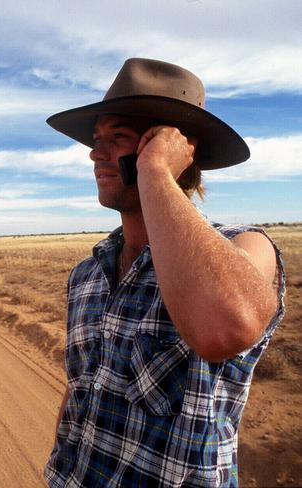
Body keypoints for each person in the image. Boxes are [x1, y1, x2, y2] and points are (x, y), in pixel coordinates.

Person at [43, 58, 286, 487]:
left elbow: (225, 327)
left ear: (173, 147)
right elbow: (83, 386)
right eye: (97, 138)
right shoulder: (87, 274)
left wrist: (154, 171)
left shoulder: (243, 247)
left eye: (118, 137)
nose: (94, 153)